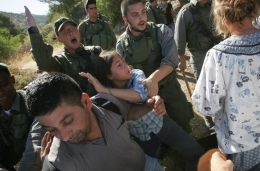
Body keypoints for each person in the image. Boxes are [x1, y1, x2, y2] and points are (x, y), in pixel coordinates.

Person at [192, 0, 260, 170]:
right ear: (252, 8)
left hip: (244, 148)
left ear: (222, 17)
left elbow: (206, 105)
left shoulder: (218, 56)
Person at [80, 50, 204, 170]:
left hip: (161, 124)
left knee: (197, 153)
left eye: (123, 61)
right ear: (109, 75)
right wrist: (104, 92)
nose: (125, 65)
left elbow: (140, 96)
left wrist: (106, 91)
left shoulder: (135, 74)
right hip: (143, 140)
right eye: (119, 65)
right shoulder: (106, 96)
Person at [25, 72, 167, 171]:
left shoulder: (106, 102)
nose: (65, 137)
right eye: (52, 130)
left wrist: (149, 106)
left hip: (146, 165)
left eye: (68, 121)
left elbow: (128, 112)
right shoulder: (59, 164)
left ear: (86, 101)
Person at [117, 0, 194, 135]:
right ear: (125, 19)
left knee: (183, 122)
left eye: (143, 12)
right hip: (147, 96)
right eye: (135, 15)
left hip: (169, 86)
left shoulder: (161, 31)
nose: (142, 18)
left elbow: (171, 61)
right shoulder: (121, 45)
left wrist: (153, 79)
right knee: (159, 129)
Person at [24, 6, 101, 97]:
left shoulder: (96, 51)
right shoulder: (60, 62)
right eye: (64, 31)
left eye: (72, 28)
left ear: (78, 31)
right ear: (59, 39)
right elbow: (43, 62)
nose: (70, 32)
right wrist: (33, 30)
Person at [174, 0, 218, 129]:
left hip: (216, 50)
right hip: (199, 55)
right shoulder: (185, 13)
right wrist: (181, 59)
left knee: (219, 83)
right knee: (203, 87)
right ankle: (207, 117)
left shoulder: (213, 4)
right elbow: (179, 39)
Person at [0, 63, 44, 171]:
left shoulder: (32, 103)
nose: (0, 92)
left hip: (44, 159)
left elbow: (36, 144)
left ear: (13, 79)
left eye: (4, 84)